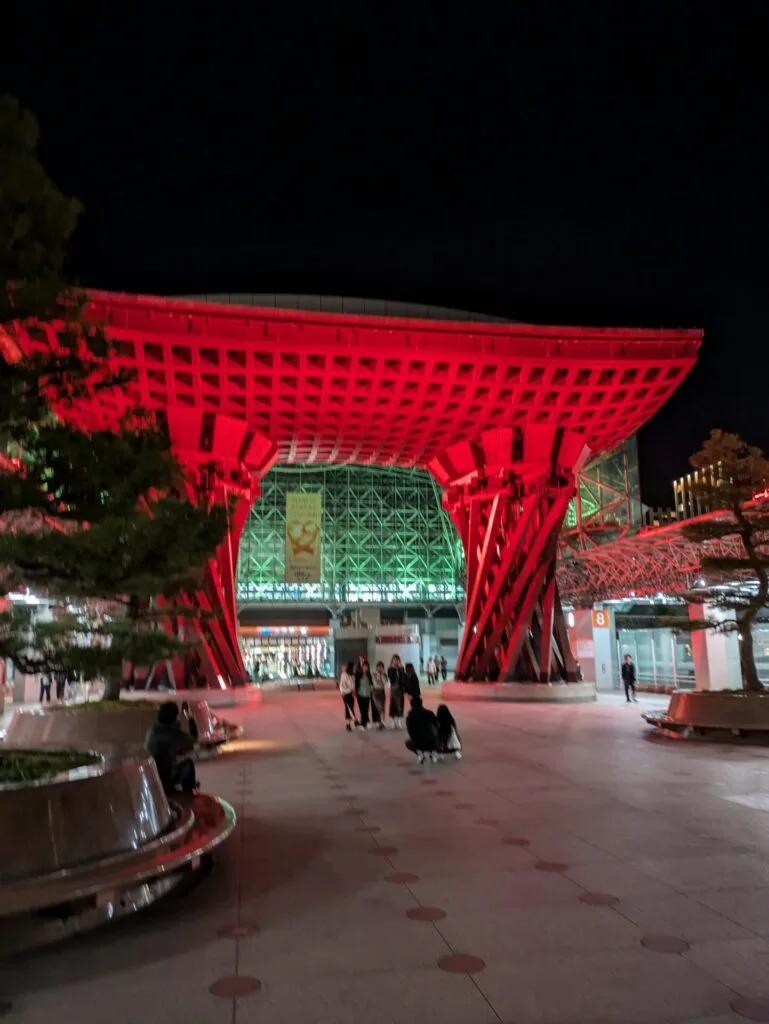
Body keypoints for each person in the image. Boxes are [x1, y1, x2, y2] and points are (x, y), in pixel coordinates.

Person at [145, 702, 197, 794]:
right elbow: (193, 740)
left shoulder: (151, 732)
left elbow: (149, 748)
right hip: (168, 779)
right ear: (174, 718)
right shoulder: (175, 735)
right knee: (189, 764)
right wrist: (190, 718)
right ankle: (190, 793)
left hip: (153, 776)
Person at [405, 696, 439, 764]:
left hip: (419, 742)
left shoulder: (411, 715)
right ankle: (432, 754)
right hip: (432, 741)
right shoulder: (429, 713)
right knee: (432, 738)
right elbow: (437, 725)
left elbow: (410, 730)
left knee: (408, 742)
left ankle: (420, 754)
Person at [388, 655, 406, 729]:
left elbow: (403, 677)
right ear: (392, 661)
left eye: (397, 660)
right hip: (393, 689)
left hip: (400, 689)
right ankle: (393, 721)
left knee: (400, 704)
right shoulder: (390, 668)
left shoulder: (401, 668)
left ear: (399, 661)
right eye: (394, 660)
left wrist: (399, 669)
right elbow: (390, 678)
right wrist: (393, 669)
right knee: (393, 704)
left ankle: (398, 720)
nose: (396, 661)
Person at [340, 661, 358, 731]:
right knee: (348, 708)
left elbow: (353, 684)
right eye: (352, 667)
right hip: (345, 693)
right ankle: (353, 721)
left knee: (351, 707)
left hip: (351, 693)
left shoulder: (352, 675)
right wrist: (342, 692)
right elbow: (341, 684)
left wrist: (354, 691)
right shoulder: (344, 674)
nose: (353, 668)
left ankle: (349, 723)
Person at [356, 660, 373, 729]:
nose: (365, 668)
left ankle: (363, 723)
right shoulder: (358, 674)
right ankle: (364, 723)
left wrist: (371, 689)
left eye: (366, 666)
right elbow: (356, 682)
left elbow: (371, 683)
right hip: (359, 693)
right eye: (364, 666)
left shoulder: (369, 674)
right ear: (361, 667)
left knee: (366, 709)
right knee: (362, 709)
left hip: (367, 694)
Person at [371, 661, 388, 730]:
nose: (380, 668)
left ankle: (383, 722)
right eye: (379, 667)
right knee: (379, 707)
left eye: (381, 667)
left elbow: (385, 683)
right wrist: (380, 681)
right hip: (375, 692)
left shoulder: (384, 674)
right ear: (376, 668)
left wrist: (382, 676)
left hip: (382, 692)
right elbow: (375, 683)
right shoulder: (374, 674)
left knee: (383, 707)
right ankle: (379, 722)